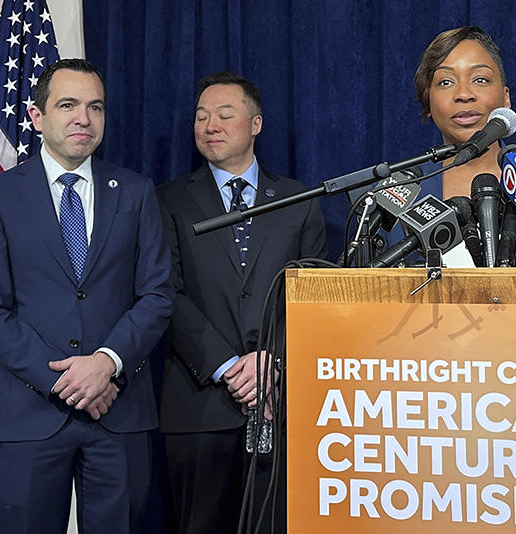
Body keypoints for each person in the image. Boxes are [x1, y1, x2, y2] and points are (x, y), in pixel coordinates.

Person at [0, 58, 173, 533]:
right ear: (37, 117)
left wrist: (106, 363)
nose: (84, 118)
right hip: (29, 416)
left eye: (95, 107)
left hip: (118, 410)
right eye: (68, 105)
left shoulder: (136, 192)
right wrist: (71, 381)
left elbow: (157, 295)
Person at [157, 71, 327, 533]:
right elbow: (165, 294)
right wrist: (229, 366)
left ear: (255, 124)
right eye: (201, 116)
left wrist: (273, 360)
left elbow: (313, 294)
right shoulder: (167, 200)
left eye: (224, 114)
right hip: (198, 407)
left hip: (281, 401)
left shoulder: (299, 200)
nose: (210, 125)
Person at [387, 26, 516, 267]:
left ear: (506, 97)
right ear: (428, 101)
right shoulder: (397, 193)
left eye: (480, 79)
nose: (464, 94)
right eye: (446, 82)